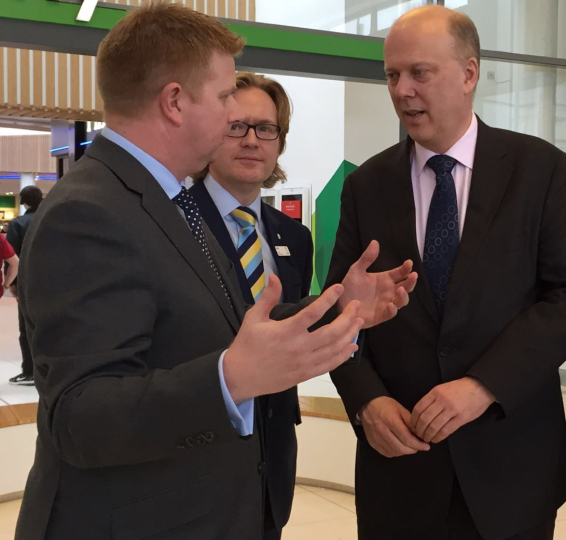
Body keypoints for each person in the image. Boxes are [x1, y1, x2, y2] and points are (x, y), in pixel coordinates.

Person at [13, 4, 416, 540]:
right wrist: (232, 379)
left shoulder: (165, 199)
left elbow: (226, 327)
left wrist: (339, 307)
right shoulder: (89, 213)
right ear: (175, 102)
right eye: (225, 97)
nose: (234, 119)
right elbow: (79, 417)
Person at [324, 5, 566, 540]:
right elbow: (341, 311)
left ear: (469, 73)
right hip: (400, 473)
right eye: (392, 75)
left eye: (419, 73)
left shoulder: (538, 169)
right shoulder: (366, 185)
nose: (402, 90)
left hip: (510, 470)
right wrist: (366, 401)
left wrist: (483, 386)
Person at [189, 71, 311, 540]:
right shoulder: (174, 223)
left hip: (273, 454)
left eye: (266, 128)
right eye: (236, 126)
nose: (252, 140)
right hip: (199, 450)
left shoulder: (293, 236)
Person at [7, 185, 42, 386]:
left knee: (26, 327)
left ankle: (29, 371)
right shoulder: (51, 219)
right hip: (53, 282)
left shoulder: (18, 224)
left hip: (27, 282)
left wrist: (11, 284)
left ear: (23, 201)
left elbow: (13, 257)